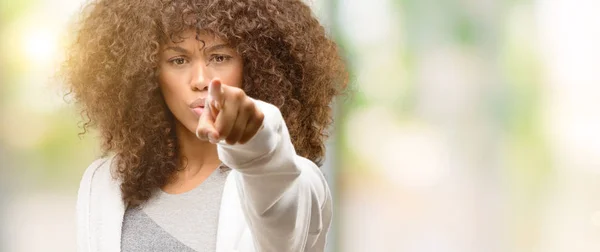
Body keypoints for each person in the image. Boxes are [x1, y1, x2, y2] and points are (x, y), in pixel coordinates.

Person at [61, 0, 348, 251]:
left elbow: (282, 216)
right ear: (148, 73)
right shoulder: (104, 183)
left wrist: (257, 143)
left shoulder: (295, 181)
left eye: (220, 57)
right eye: (178, 60)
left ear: (255, 64)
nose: (200, 79)